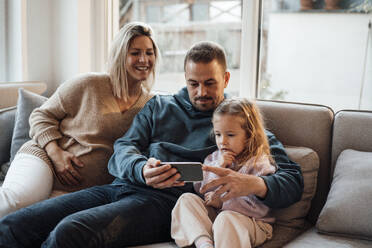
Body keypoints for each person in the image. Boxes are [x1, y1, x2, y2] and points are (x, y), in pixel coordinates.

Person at [0, 41, 303, 248]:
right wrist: (141, 168)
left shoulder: (236, 123)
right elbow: (122, 148)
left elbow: (292, 179)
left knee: (70, 232)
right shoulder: (160, 106)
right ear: (185, 77)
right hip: (120, 187)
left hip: (162, 205)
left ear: (225, 78)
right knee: (16, 224)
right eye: (193, 83)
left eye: (210, 83)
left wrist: (252, 184)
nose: (200, 92)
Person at [0, 21, 160, 218]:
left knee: (40, 223)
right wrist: (55, 153)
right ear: (120, 56)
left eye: (149, 52)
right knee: (14, 202)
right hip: (44, 159)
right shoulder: (89, 84)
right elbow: (41, 115)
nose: (144, 59)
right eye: (135, 53)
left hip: (79, 190)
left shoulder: (152, 104)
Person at [171, 98, 277, 248]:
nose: (223, 141)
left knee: (226, 218)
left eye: (230, 135)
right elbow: (200, 188)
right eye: (218, 134)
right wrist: (218, 168)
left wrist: (222, 202)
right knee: (186, 199)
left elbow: (258, 208)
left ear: (249, 136)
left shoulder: (258, 164)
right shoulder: (214, 157)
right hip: (218, 217)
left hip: (251, 223)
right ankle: (204, 243)